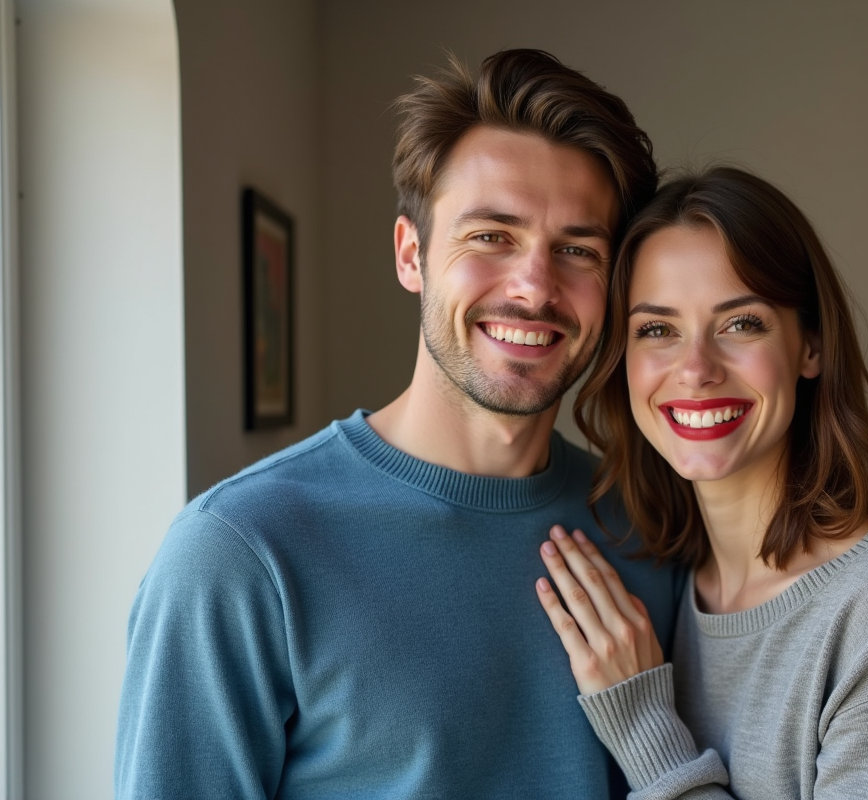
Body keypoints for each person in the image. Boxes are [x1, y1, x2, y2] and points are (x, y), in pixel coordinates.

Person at [115, 49, 683, 799]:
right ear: (411, 254)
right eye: (491, 237)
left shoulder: (653, 526)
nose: (534, 287)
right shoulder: (239, 554)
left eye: (577, 250)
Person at [535, 167, 868, 799]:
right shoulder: (665, 582)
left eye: (741, 323)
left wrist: (647, 729)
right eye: (657, 329)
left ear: (810, 343)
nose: (696, 369)